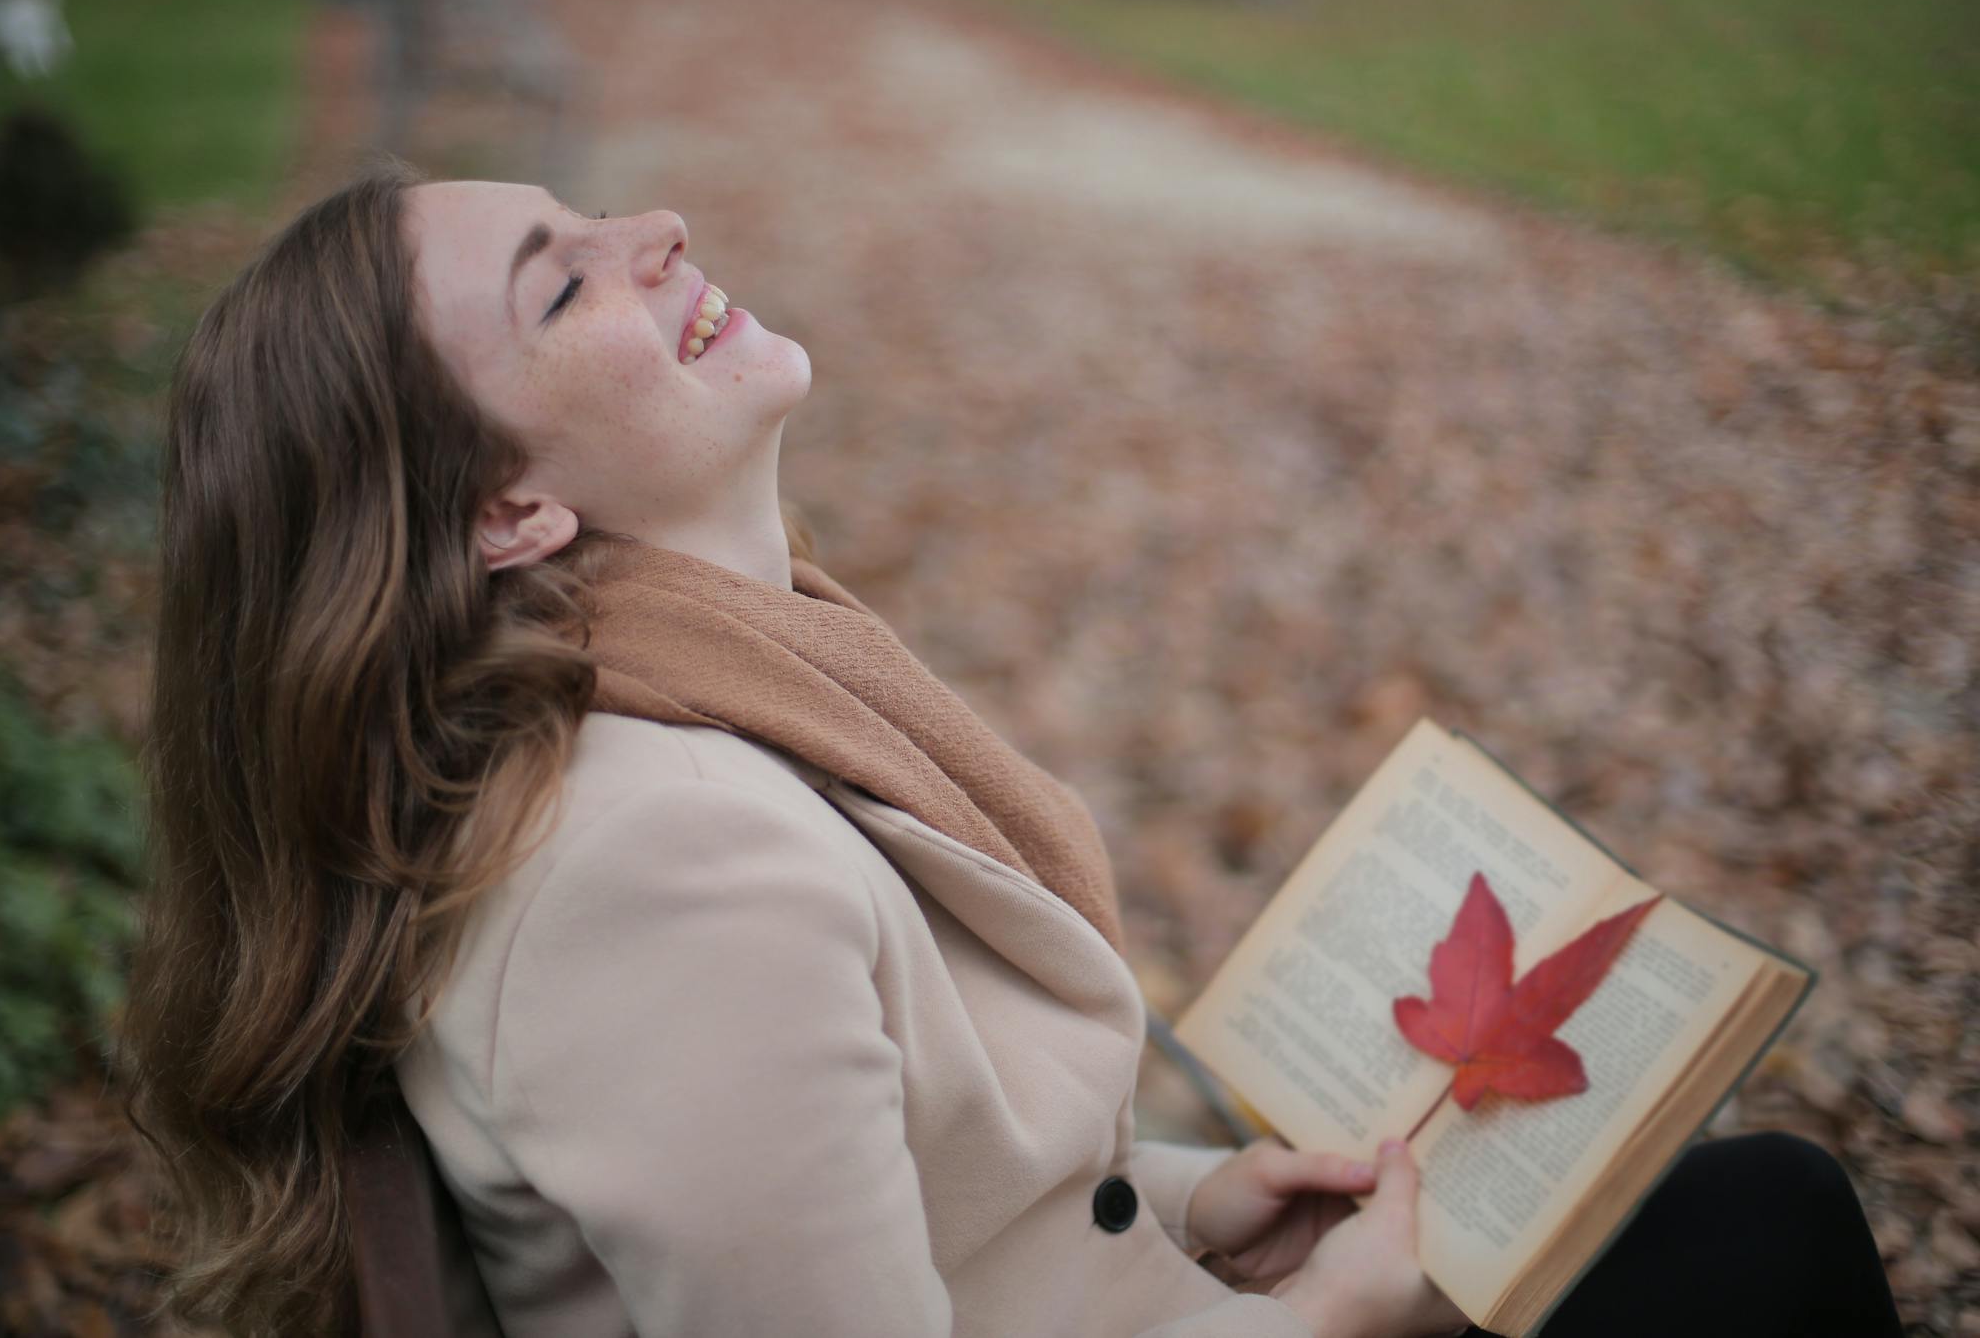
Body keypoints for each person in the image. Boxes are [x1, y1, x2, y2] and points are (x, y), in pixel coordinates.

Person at [116, 155, 1902, 1338]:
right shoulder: (652, 868)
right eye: (561, 284)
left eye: (588, 216)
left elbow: (905, 1194)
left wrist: (1207, 1202)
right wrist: (1329, 1320)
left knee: (1748, 1216)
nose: (649, 228)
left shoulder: (712, 685)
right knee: (1778, 1233)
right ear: (507, 508)